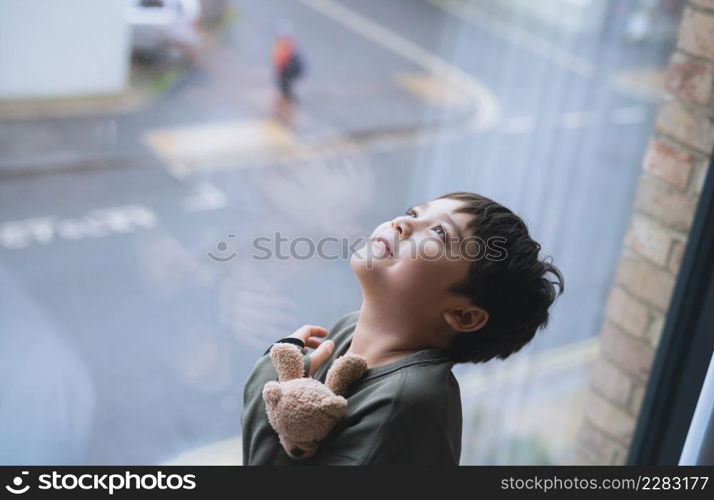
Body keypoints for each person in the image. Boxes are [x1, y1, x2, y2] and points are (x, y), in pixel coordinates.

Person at [241, 191, 564, 465]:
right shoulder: (350, 328)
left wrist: (271, 372)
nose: (403, 223)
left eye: (438, 233)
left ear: (464, 316)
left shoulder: (408, 403)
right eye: (413, 213)